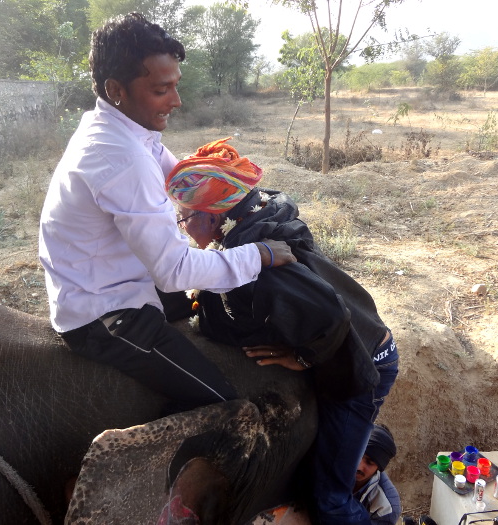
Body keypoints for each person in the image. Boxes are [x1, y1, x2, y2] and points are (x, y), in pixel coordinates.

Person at [38, 13, 295, 413]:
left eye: (175, 86)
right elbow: (173, 271)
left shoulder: (129, 131)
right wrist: (259, 255)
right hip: (104, 311)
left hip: (123, 276)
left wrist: (242, 200)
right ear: (115, 89)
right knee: (223, 404)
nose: (176, 101)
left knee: (219, 305)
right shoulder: (119, 157)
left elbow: (184, 184)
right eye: (162, 90)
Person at [166, 137, 400, 525]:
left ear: (213, 216)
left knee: (329, 497)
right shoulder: (254, 222)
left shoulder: (260, 261)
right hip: (359, 331)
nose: (184, 227)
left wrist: (304, 356)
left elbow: (331, 315)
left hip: (361, 358)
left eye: (186, 217)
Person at [354, 424, 401, 525]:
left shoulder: (386, 507)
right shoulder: (335, 468)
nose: (359, 466)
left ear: (379, 468)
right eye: (358, 455)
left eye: (369, 462)